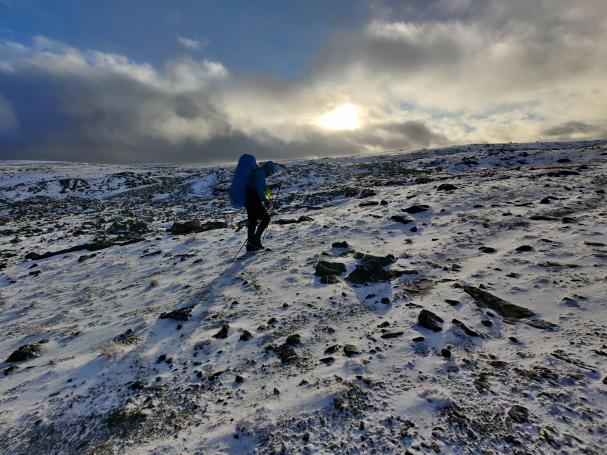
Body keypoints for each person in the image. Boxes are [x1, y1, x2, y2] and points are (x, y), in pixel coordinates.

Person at [245, 161, 278, 251]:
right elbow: (259, 190)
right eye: (271, 171)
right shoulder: (260, 174)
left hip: (249, 200)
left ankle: (250, 245)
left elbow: (262, 187)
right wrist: (266, 202)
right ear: (268, 168)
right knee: (266, 218)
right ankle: (255, 241)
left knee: (252, 222)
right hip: (254, 200)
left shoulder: (258, 172)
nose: (271, 174)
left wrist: (275, 186)